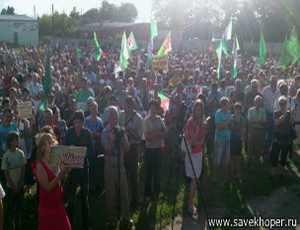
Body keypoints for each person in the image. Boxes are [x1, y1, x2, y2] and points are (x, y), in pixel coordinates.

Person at [102, 106, 133, 229]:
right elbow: (107, 151)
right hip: (109, 166)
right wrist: (111, 140)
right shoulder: (105, 132)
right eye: (111, 117)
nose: (114, 119)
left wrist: (123, 136)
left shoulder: (120, 130)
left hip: (121, 166)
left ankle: (126, 216)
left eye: (115, 117)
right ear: (108, 118)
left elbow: (127, 149)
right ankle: (112, 218)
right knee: (111, 194)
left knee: (124, 193)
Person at [32, 132, 71, 230]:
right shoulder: (40, 165)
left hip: (59, 204)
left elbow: (63, 179)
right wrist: (61, 173)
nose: (51, 144)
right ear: (42, 147)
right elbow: (48, 188)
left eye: (51, 142)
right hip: (47, 208)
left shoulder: (56, 159)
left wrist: (66, 171)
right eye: (47, 143)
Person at [64, 110, 94, 230]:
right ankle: (69, 223)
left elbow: (92, 151)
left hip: (83, 168)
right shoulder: (69, 132)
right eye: (76, 122)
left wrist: (82, 153)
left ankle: (86, 224)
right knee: (71, 198)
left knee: (84, 198)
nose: (77, 125)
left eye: (80, 122)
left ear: (83, 122)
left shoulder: (87, 133)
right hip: (72, 169)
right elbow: (64, 148)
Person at [119, 96, 143, 209]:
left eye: (128, 105)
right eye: (125, 105)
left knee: (133, 175)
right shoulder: (121, 115)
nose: (126, 107)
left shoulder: (138, 118)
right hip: (123, 147)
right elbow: (118, 128)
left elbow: (140, 137)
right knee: (123, 174)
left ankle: (134, 200)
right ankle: (123, 198)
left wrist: (130, 131)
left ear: (132, 106)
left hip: (133, 147)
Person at [184, 99, 206, 215]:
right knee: (194, 179)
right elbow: (192, 141)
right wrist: (197, 130)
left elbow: (202, 141)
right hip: (191, 153)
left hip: (199, 153)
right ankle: (190, 205)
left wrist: (198, 141)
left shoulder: (203, 123)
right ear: (194, 110)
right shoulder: (191, 122)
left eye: (200, 109)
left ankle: (191, 202)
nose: (198, 111)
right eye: (196, 109)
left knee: (195, 179)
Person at [1, 131, 26, 230]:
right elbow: (5, 173)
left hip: (20, 184)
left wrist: (20, 182)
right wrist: (12, 184)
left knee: (20, 206)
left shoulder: (21, 153)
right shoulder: (6, 156)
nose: (18, 141)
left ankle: (20, 225)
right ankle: (12, 225)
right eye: (16, 140)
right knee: (11, 207)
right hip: (11, 186)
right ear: (11, 142)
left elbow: (24, 168)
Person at [144, 100, 167, 200]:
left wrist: (155, 134)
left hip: (158, 148)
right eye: (151, 108)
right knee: (149, 172)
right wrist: (157, 134)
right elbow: (147, 136)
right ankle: (147, 194)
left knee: (158, 171)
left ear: (157, 109)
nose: (153, 110)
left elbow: (165, 132)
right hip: (150, 149)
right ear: (150, 109)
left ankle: (157, 192)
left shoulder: (159, 119)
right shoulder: (146, 120)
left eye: (155, 108)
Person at [270, 96, 294, 178]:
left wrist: (291, 114)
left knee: (283, 157)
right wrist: (284, 114)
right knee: (274, 156)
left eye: (283, 104)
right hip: (278, 139)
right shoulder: (276, 113)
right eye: (280, 104)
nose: (282, 105)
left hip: (286, 139)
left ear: (286, 104)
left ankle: (281, 173)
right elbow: (277, 122)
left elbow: (292, 122)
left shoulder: (289, 113)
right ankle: (272, 174)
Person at [212, 97, 231, 185]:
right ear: (223, 105)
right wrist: (228, 122)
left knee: (226, 160)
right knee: (217, 159)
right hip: (219, 139)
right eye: (227, 104)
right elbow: (218, 127)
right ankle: (214, 179)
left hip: (227, 138)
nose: (229, 106)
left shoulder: (229, 113)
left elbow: (229, 125)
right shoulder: (218, 113)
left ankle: (225, 179)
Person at [262, 76, 280, 154]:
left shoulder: (278, 91)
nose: (273, 83)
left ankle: (268, 148)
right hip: (266, 113)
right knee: (264, 131)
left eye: (274, 82)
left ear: (276, 82)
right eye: (271, 81)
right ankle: (263, 147)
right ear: (269, 82)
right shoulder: (265, 90)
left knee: (272, 132)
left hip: (274, 115)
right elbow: (262, 100)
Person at [247, 95, 266, 164]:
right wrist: (258, 120)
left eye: (260, 101)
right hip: (252, 130)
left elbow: (263, 122)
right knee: (250, 146)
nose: (258, 103)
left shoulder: (263, 111)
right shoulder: (250, 110)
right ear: (254, 102)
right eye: (257, 101)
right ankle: (248, 160)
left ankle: (256, 161)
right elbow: (249, 121)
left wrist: (255, 121)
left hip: (260, 130)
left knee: (258, 147)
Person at [229, 103, 244, 180]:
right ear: (234, 109)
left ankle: (238, 174)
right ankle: (231, 174)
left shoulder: (241, 118)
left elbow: (242, 128)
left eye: (238, 109)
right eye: (236, 109)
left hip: (238, 140)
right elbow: (232, 127)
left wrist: (242, 136)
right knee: (232, 158)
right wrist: (238, 130)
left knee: (238, 158)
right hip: (232, 139)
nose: (237, 110)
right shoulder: (232, 117)